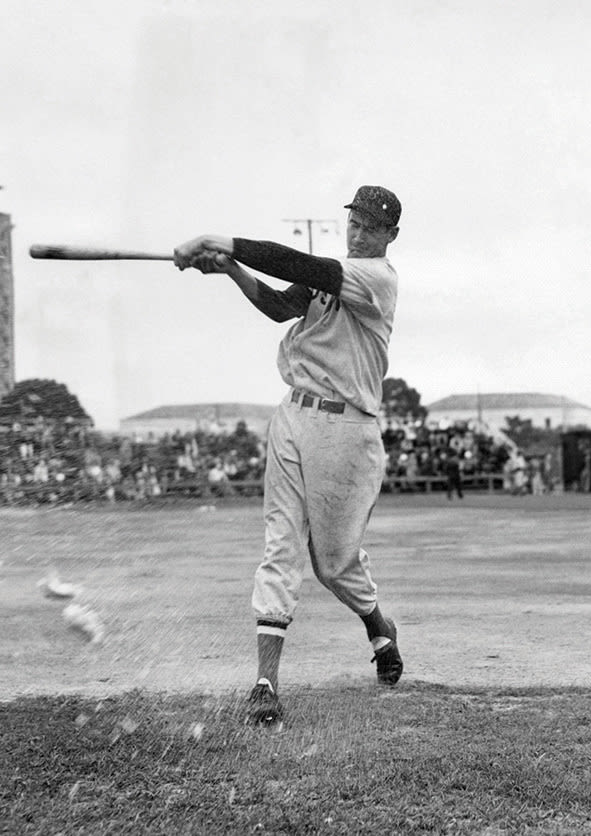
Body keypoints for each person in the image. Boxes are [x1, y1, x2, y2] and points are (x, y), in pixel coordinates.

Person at [173, 185, 405, 726]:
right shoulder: (334, 277)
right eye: (355, 220)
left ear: (391, 234)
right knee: (280, 545)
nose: (359, 231)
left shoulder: (375, 280)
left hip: (346, 428)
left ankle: (378, 626)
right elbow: (280, 305)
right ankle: (265, 683)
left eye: (372, 225)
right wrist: (231, 268)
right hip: (293, 415)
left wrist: (221, 240)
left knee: (334, 563)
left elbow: (299, 263)